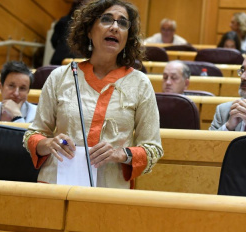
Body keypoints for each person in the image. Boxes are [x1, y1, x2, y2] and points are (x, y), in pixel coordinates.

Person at [23, 0, 163, 189]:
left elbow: (153, 149)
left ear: (127, 36)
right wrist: (49, 143)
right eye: (106, 19)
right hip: (56, 185)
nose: (115, 27)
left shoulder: (140, 84)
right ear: (89, 30)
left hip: (110, 191)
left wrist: (121, 154)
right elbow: (33, 135)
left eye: (122, 23)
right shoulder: (60, 77)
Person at [50, 0, 84, 65]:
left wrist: (60, 48)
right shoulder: (83, 23)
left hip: (58, 57)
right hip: (76, 57)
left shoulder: (63, 20)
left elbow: (53, 40)